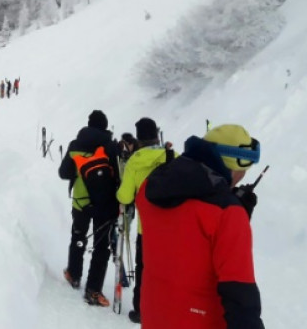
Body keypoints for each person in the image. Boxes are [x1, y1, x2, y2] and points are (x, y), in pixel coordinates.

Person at [136, 124, 264, 329]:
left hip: (155, 316)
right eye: (243, 169)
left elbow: (183, 238)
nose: (244, 176)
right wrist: (234, 214)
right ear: (232, 164)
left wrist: (231, 208)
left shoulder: (149, 189)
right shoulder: (226, 214)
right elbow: (240, 297)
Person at [58, 110, 121, 307]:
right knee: (101, 247)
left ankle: (74, 275)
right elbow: (119, 175)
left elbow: (64, 173)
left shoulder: (75, 145)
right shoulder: (110, 146)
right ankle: (93, 291)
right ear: (105, 126)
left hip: (81, 201)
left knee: (78, 237)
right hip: (105, 204)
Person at [115, 118, 173, 324]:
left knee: (144, 269)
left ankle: (141, 310)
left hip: (147, 227)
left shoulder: (135, 161)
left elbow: (125, 197)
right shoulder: (171, 156)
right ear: (156, 135)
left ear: (138, 138)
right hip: (174, 226)